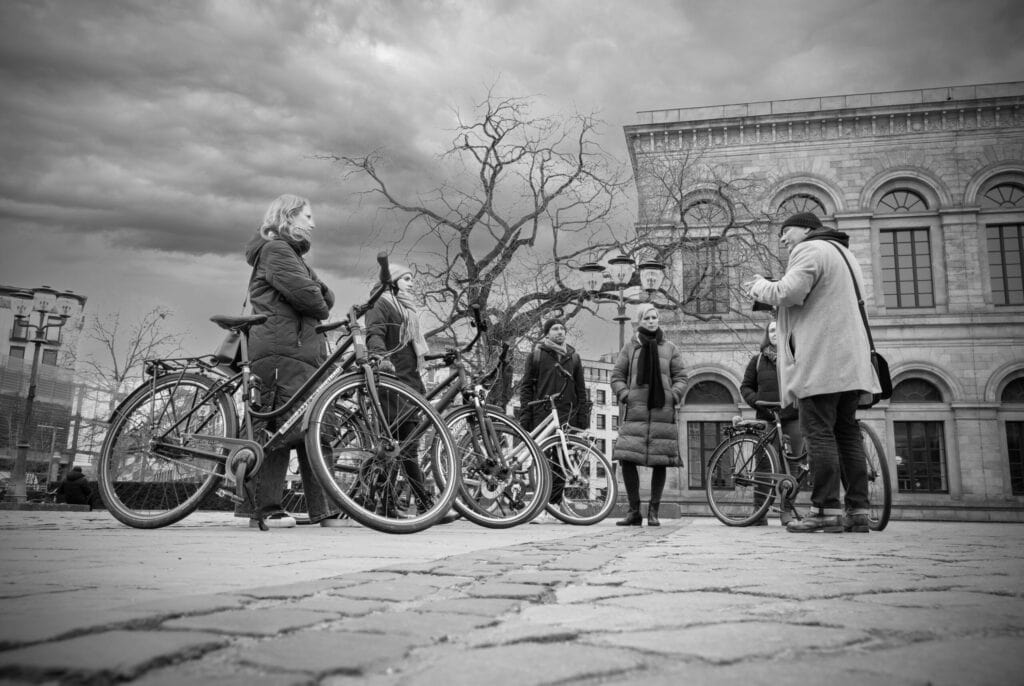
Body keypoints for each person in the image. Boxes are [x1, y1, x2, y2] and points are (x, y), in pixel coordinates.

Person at [745, 212, 880, 533]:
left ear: (806, 229)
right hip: (851, 361)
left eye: (786, 231)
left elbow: (788, 293)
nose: (782, 239)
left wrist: (759, 286)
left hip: (823, 360)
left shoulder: (810, 249)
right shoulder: (845, 255)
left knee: (818, 431)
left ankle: (825, 509)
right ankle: (858, 510)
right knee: (846, 432)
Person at [241, 194, 344, 528]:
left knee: (309, 428)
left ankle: (325, 510)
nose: (313, 223)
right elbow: (316, 300)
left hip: (299, 352)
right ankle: (264, 508)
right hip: (279, 350)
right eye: (308, 216)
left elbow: (320, 296)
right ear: (288, 217)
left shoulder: (291, 256)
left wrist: (317, 289)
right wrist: (317, 289)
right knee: (275, 430)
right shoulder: (276, 251)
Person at [365, 263, 457, 524]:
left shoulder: (405, 308)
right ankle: (425, 505)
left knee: (402, 448)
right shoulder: (380, 303)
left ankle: (385, 502)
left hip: (410, 384)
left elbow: (413, 350)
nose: (412, 283)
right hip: (393, 381)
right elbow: (375, 333)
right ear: (392, 280)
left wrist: (438, 357)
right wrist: (380, 357)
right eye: (406, 278)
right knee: (403, 447)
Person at [610, 304, 687, 527]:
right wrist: (626, 395)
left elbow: (681, 377)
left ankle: (654, 511)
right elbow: (617, 375)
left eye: (655, 317)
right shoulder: (630, 347)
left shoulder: (670, 348)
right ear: (640, 321)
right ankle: (634, 511)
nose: (652, 321)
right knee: (626, 459)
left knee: (660, 461)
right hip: (635, 411)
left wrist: (673, 395)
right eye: (647, 318)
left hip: (662, 411)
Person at [518, 318, 591, 518]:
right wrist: (525, 415)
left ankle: (555, 504)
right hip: (542, 413)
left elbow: (580, 389)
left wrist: (583, 418)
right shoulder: (537, 355)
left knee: (561, 462)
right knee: (542, 461)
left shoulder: (574, 357)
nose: (560, 332)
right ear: (547, 333)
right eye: (555, 329)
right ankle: (542, 504)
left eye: (562, 329)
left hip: (567, 414)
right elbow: (526, 387)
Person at [740, 320, 804, 525]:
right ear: (767, 334)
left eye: (779, 329)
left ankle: (786, 511)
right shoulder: (757, 361)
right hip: (767, 418)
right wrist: (757, 402)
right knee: (764, 466)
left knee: (792, 466)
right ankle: (759, 512)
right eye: (772, 330)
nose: (775, 333)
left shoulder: (795, 358)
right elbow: (745, 387)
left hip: (792, 417)